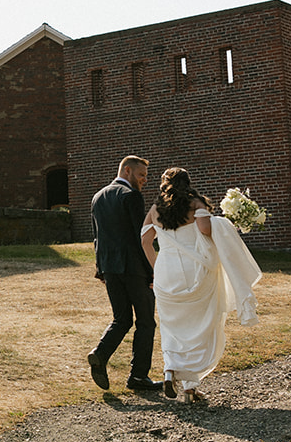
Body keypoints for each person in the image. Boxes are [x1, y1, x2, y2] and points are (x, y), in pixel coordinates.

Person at [140, 167, 262, 403]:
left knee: (171, 325)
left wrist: (157, 269)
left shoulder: (155, 210)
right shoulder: (195, 203)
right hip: (195, 269)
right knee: (202, 323)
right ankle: (189, 385)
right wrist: (226, 225)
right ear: (187, 183)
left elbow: (145, 241)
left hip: (166, 271)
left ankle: (172, 372)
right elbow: (206, 230)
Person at [87, 155, 162, 392]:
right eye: (141, 175)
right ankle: (138, 377)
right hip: (134, 270)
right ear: (127, 171)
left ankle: (100, 354)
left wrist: (101, 269)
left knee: (121, 319)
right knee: (146, 322)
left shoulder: (98, 197)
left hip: (110, 269)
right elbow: (139, 238)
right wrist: (152, 273)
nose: (144, 181)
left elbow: (97, 237)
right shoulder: (131, 196)